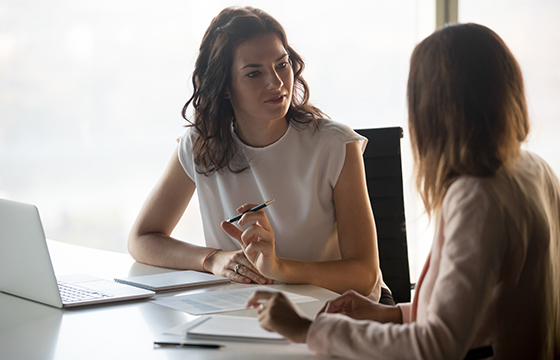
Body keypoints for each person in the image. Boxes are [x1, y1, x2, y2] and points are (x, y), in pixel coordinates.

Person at [246, 23, 560, 359]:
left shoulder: (476, 197)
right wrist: (393, 314)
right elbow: (488, 312)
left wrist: (306, 330)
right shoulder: (533, 168)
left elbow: (435, 346)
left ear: (432, 108)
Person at [128, 6, 390, 301]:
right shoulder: (201, 144)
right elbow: (142, 239)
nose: (277, 83)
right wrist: (214, 260)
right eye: (254, 73)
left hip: (337, 312)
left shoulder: (335, 144)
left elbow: (365, 275)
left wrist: (279, 268)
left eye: (282, 64)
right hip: (247, 312)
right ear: (225, 87)